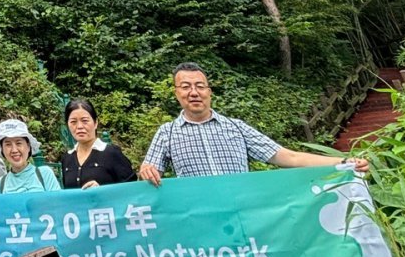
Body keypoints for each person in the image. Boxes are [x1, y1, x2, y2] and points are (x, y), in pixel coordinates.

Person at [138, 62, 371, 185]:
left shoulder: (236, 127)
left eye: (199, 86)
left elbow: (288, 157)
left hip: (245, 210)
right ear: (176, 93)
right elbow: (149, 175)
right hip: (200, 218)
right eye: (186, 87)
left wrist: (342, 162)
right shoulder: (166, 133)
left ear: (209, 91)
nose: (194, 92)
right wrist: (147, 172)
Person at [61, 98, 135, 188]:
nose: (79, 126)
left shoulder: (111, 154)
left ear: (95, 123)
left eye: (85, 121)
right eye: (73, 122)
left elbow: (132, 190)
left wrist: (101, 191)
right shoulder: (67, 158)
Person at [0, 119, 61, 193]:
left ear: (28, 146)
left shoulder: (44, 174)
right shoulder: (1, 184)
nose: (14, 150)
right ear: (2, 150)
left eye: (19, 143)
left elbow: (58, 203)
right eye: (8, 144)